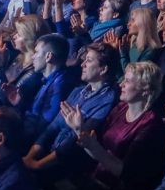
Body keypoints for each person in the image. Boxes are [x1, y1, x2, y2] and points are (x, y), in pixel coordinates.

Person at [69, 62, 165, 190]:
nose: (121, 84)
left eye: (127, 81)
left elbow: (124, 172)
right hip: (98, 178)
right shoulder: (120, 108)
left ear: (146, 89)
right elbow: (97, 147)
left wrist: (93, 146)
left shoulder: (152, 125)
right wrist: (78, 128)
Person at [24, 43, 119, 173]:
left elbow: (75, 142)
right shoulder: (78, 91)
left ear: (103, 69)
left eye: (89, 61)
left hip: (69, 166)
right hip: (51, 152)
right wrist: (30, 157)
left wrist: (38, 165)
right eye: (84, 59)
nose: (82, 64)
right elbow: (54, 126)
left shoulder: (107, 100)